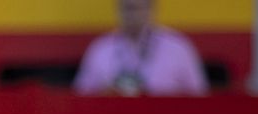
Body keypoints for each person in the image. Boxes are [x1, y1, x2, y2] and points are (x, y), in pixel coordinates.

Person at [73, 0, 206, 97]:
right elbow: (81, 97)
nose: (132, 15)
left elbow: (199, 97)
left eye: (137, 8)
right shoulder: (100, 49)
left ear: (151, 9)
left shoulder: (178, 48)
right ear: (118, 9)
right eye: (127, 8)